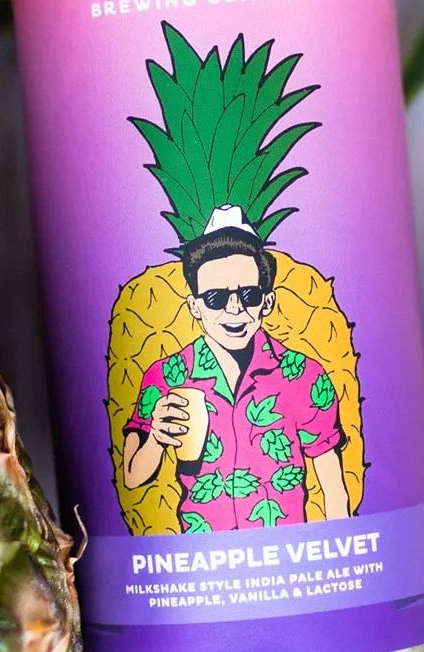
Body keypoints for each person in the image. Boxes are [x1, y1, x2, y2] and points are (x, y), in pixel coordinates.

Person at [120, 207, 351, 532]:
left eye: (248, 295)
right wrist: (156, 438)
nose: (234, 308)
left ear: (267, 302)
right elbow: (132, 477)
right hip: (202, 554)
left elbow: (333, 487)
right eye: (215, 298)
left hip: (288, 551)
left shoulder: (304, 374)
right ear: (195, 306)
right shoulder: (166, 375)